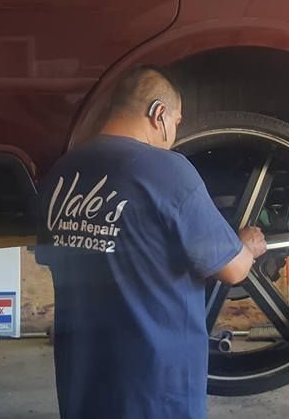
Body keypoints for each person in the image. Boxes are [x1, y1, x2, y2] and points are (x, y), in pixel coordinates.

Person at [36, 66, 267, 419]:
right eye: (176, 122)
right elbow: (233, 270)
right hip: (155, 388)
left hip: (81, 381)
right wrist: (246, 245)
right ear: (158, 114)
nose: (173, 134)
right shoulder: (167, 171)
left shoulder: (62, 173)